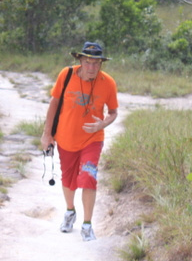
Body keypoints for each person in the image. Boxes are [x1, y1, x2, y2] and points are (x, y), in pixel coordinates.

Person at [40, 41, 119, 241]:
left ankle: (87, 224)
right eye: (88, 62)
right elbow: (54, 103)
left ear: (101, 64)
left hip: (92, 139)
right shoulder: (66, 75)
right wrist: (47, 134)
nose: (92, 67)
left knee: (88, 177)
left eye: (96, 63)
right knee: (68, 179)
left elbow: (113, 112)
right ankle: (69, 211)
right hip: (66, 138)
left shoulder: (107, 82)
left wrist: (103, 124)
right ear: (81, 60)